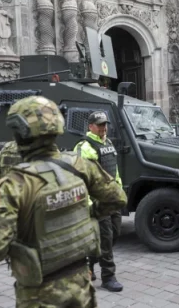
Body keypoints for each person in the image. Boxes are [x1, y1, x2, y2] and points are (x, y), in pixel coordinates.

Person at [0, 96, 127, 308]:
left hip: (39, 294)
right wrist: (90, 217)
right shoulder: (78, 165)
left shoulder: (13, 184)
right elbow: (117, 197)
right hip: (80, 288)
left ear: (20, 131)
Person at [74, 111, 124, 292]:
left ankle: (88, 264)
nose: (104, 128)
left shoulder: (108, 143)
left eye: (105, 124)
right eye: (100, 124)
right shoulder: (84, 147)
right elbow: (80, 178)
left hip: (112, 198)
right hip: (97, 202)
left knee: (115, 233)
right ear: (90, 126)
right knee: (105, 238)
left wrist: (119, 191)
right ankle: (108, 277)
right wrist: (87, 204)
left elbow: (113, 170)